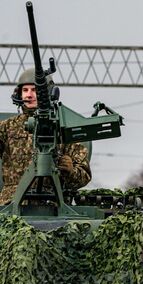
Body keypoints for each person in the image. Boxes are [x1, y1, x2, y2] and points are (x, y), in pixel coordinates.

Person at [0, 68, 91, 204]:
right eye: (25, 90)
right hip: (11, 204)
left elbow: (83, 177)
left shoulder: (64, 128)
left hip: (53, 204)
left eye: (34, 90)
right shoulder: (7, 127)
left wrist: (70, 171)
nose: (29, 95)